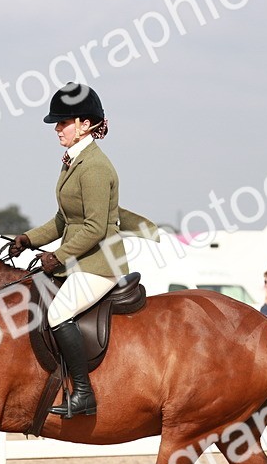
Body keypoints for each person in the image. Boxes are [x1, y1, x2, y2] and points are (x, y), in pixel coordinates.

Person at [9, 83, 158, 419]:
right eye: (57, 124)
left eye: (63, 123)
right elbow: (64, 221)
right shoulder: (73, 162)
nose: (57, 129)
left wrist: (57, 257)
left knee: (58, 314)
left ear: (85, 124)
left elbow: (93, 227)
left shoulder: (94, 167)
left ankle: (84, 394)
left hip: (100, 264)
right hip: (79, 261)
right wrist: (29, 239)